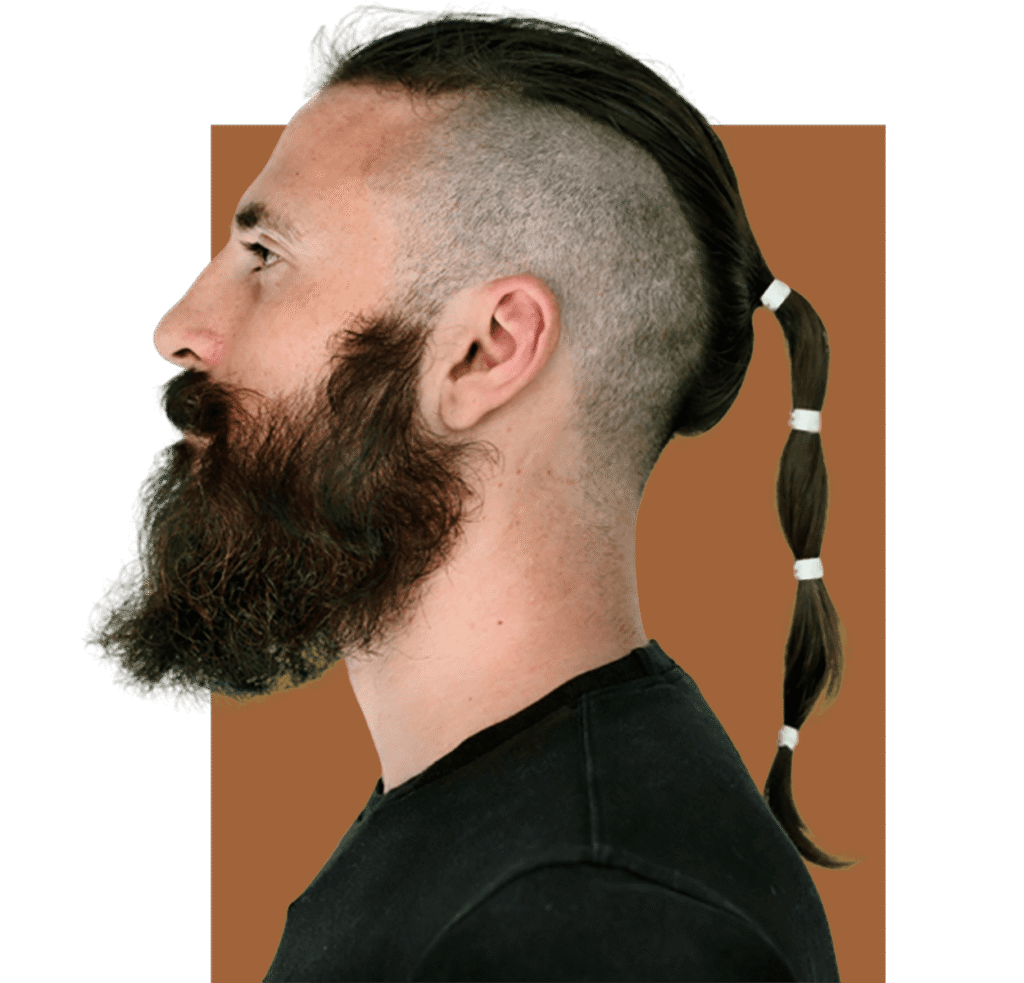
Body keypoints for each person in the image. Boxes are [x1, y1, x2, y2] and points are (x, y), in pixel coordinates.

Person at [104, 17, 855, 982]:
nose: (179, 327)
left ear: (486, 350)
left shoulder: (595, 919)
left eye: (265, 256)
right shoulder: (509, 835)